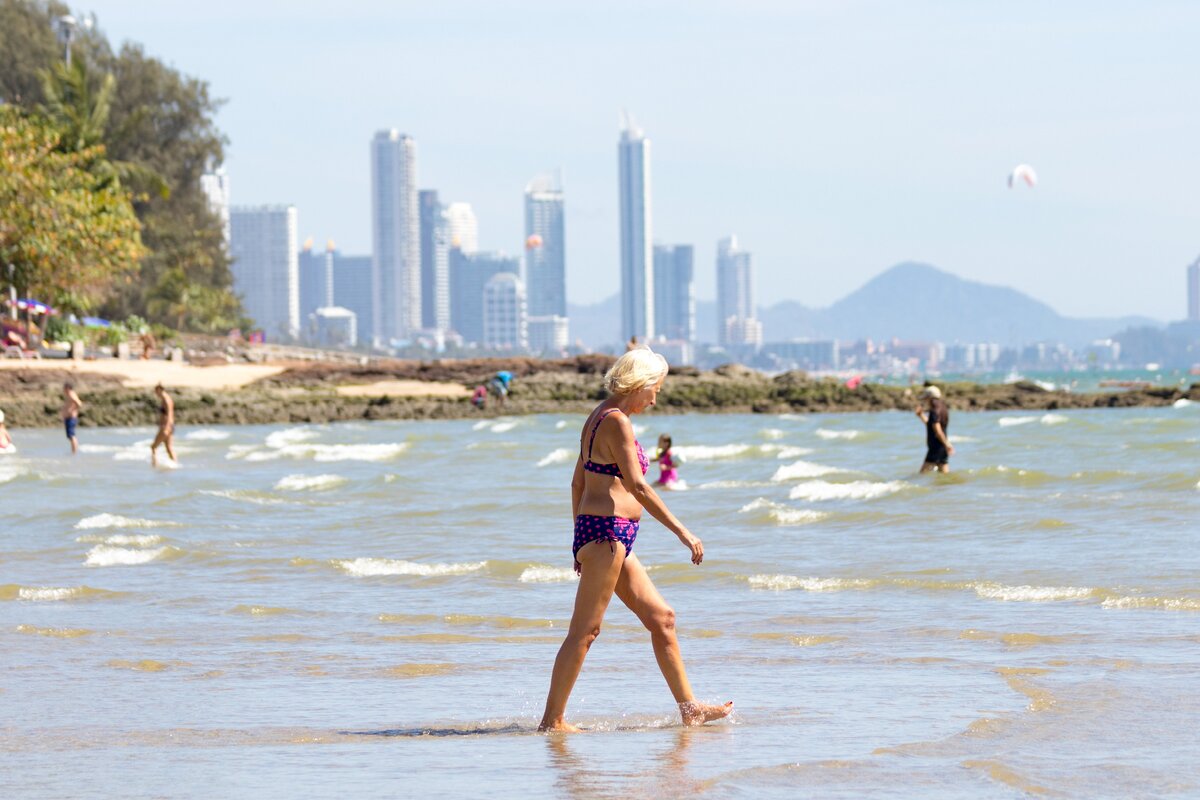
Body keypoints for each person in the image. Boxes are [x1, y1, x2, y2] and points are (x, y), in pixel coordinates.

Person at [538, 346, 732, 732]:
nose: (656, 397)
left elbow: (577, 482)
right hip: (607, 535)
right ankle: (553, 721)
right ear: (639, 383)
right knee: (585, 632)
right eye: (655, 389)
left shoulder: (599, 416)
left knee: (663, 619)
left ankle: (689, 708)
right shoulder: (617, 423)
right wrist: (683, 531)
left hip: (604, 535)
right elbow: (639, 487)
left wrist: (578, 539)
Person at [914, 385, 954, 473]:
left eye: (925, 399)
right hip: (941, 446)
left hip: (936, 447)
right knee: (944, 475)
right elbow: (931, 425)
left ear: (929, 398)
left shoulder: (934, 411)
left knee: (922, 474)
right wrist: (921, 415)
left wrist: (948, 445)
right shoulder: (943, 409)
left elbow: (937, 430)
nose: (925, 401)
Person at [150, 384, 177, 466]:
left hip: (166, 426)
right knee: (169, 448)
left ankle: (155, 465)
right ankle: (175, 465)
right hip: (169, 426)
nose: (155, 393)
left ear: (160, 390)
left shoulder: (166, 400)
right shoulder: (166, 399)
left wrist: (166, 427)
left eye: (156, 391)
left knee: (153, 447)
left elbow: (169, 414)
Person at [61, 382, 83, 455]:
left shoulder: (71, 394)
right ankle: (73, 451)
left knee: (71, 435)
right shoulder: (69, 395)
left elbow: (79, 403)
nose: (63, 390)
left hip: (71, 417)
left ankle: (74, 452)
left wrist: (71, 410)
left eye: (64, 388)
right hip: (68, 417)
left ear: (67, 388)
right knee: (70, 436)